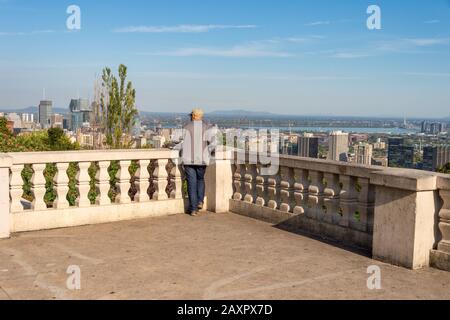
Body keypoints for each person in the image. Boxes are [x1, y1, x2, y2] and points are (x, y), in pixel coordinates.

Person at [175, 108, 216, 216]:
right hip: (202, 159)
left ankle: (193, 209)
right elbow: (213, 143)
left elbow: (177, 141)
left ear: (193, 116)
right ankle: (199, 201)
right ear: (201, 116)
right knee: (200, 180)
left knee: (191, 183)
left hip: (188, 159)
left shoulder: (186, 127)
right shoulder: (207, 128)